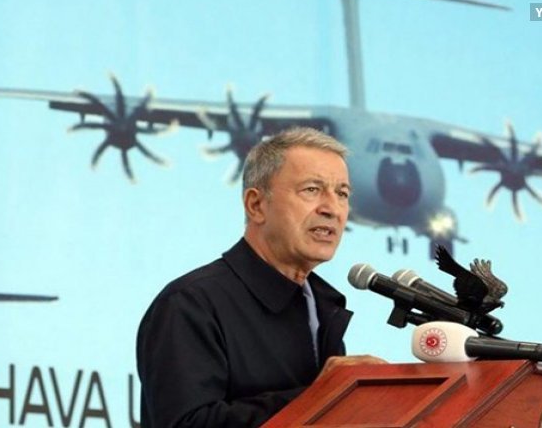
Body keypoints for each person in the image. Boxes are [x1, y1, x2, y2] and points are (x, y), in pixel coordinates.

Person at [136, 127, 384, 427]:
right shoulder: (190, 304)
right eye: (311, 190)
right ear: (256, 205)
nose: (332, 209)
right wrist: (319, 396)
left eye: (342, 194)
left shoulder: (322, 305)